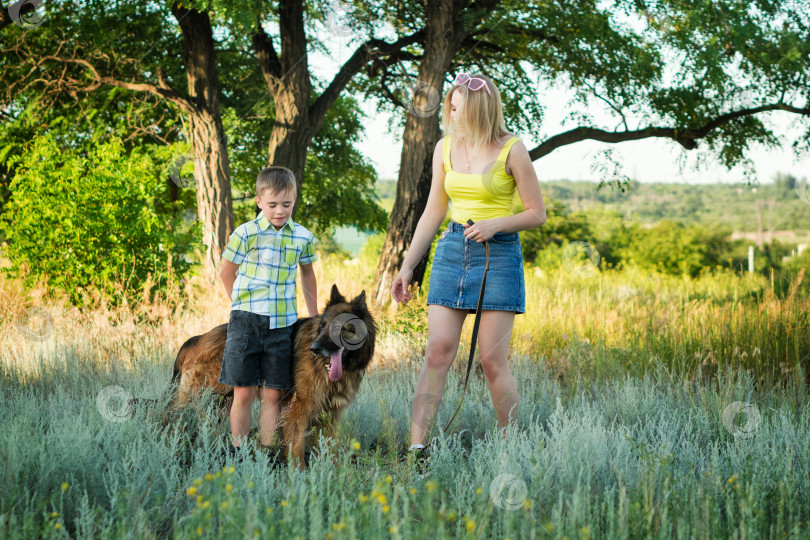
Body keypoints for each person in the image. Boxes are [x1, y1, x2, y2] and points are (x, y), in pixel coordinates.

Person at [391, 73, 546, 458]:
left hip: (500, 256)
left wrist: (496, 224)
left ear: (478, 110)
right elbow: (433, 211)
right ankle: (416, 447)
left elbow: (536, 214)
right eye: (450, 107)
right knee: (438, 351)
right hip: (451, 252)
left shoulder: (513, 149)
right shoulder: (444, 147)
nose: (452, 114)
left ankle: (512, 448)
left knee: (492, 360)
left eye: (458, 108)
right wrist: (408, 266)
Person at [219, 166, 319, 458]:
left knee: (273, 393)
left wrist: (313, 316)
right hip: (246, 322)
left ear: (295, 200)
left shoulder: (302, 236)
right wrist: (238, 303)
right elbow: (227, 272)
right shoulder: (246, 233)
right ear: (259, 201)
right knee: (244, 392)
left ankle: (267, 452)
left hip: (281, 326)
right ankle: (239, 452)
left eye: (286, 204)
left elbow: (308, 275)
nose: (279, 211)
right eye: (273, 205)